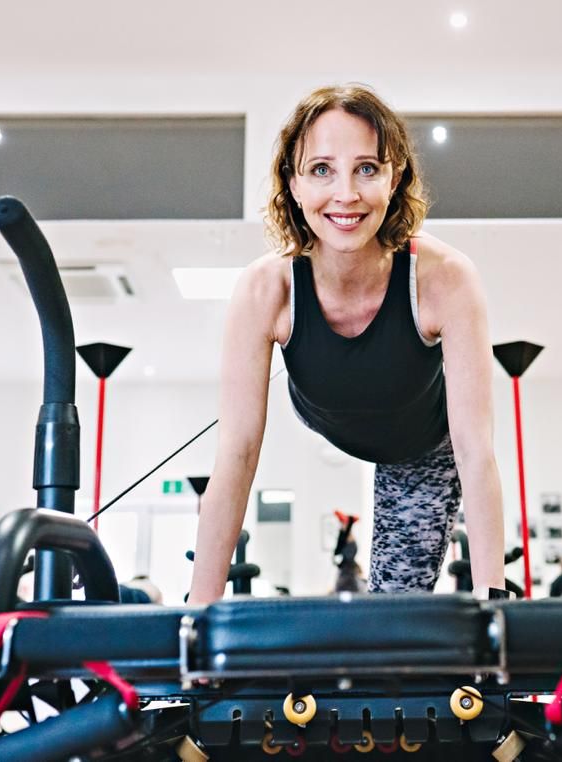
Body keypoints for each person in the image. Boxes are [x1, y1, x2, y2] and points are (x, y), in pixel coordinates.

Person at [187, 84, 505, 605]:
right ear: (291, 183)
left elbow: (475, 451)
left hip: (420, 445)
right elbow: (238, 453)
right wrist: (197, 611)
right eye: (321, 170)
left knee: (395, 617)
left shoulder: (445, 278)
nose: (345, 194)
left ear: (395, 174)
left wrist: (496, 604)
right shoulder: (266, 289)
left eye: (366, 168)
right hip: (324, 409)